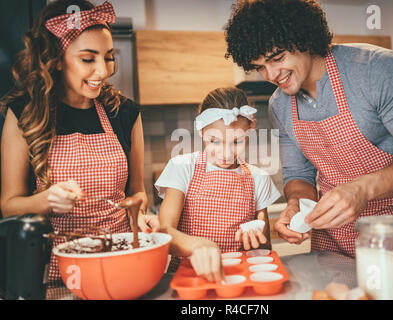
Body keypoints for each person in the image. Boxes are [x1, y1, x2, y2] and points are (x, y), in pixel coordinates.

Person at [224, 0, 393, 285]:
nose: (270, 75)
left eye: (277, 58)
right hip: (330, 239)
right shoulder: (279, 106)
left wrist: (362, 189)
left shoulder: (377, 70)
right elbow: (299, 176)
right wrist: (297, 204)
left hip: (391, 234)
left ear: (304, 37)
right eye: (259, 67)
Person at [0, 0, 159, 281]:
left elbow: (138, 192)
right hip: (58, 271)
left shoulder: (125, 113)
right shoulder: (25, 113)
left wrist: (140, 214)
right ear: (56, 59)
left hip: (121, 261)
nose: (104, 71)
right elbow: (9, 205)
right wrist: (46, 200)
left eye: (109, 56)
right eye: (88, 59)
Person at [156, 87, 280, 282]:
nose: (226, 154)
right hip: (188, 276)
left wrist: (256, 241)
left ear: (249, 131)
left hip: (237, 277)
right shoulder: (182, 167)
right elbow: (164, 233)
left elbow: (264, 249)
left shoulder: (259, 178)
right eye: (214, 141)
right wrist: (200, 246)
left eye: (237, 142)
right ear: (201, 132)